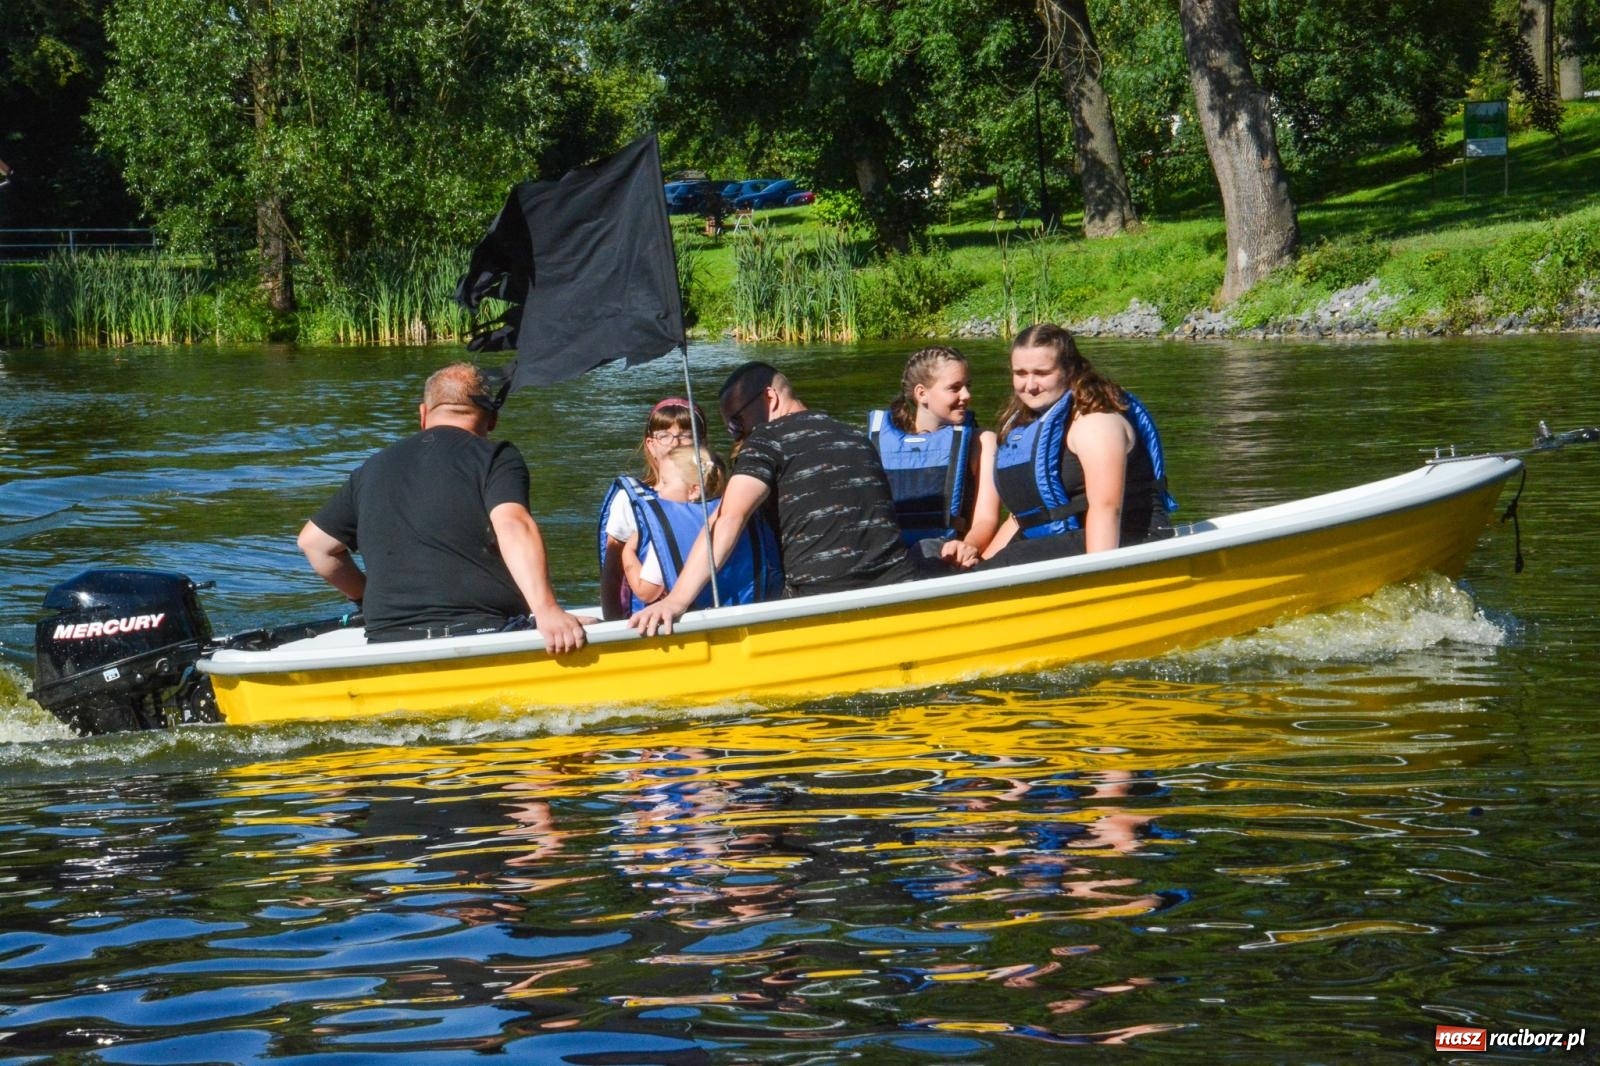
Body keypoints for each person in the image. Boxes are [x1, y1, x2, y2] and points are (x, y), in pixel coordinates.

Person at [297, 361, 588, 651]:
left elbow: (314, 544)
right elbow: (513, 524)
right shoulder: (496, 457)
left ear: (423, 414)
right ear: (492, 419)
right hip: (485, 631)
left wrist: (367, 597)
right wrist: (547, 609)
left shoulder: (372, 468)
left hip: (388, 639)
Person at [630, 361, 915, 636]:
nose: (737, 435)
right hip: (898, 585)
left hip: (820, 599)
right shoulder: (856, 437)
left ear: (770, 398)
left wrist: (676, 601)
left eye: (736, 423)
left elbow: (728, 518)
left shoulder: (766, 441)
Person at [980, 324, 1174, 567]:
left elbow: (1106, 508)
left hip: (1130, 539)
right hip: (1065, 540)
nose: (1029, 385)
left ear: (1069, 370)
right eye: (1020, 373)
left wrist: (1098, 576)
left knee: (1010, 560)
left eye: (1041, 373)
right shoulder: (1031, 424)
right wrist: (978, 566)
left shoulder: (1096, 423)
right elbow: (1023, 519)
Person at [868, 345, 1001, 569]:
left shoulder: (984, 442)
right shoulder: (877, 444)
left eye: (967, 386)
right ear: (922, 394)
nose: (966, 396)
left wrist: (967, 546)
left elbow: (986, 519)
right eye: (955, 388)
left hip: (948, 555)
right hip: (892, 558)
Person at [607, 442, 781, 610]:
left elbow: (647, 592)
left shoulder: (667, 528)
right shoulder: (733, 513)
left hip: (689, 618)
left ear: (694, 490)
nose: (658, 490)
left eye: (665, 483)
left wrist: (627, 552)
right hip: (743, 605)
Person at [597, 398, 708, 619]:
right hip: (650, 618)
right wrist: (613, 624)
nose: (674, 443)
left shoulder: (718, 498)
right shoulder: (630, 502)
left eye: (685, 434)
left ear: (701, 442)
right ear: (651, 444)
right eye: (664, 435)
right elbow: (612, 573)